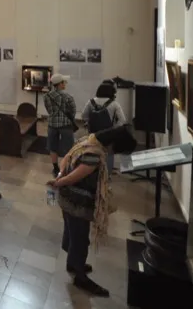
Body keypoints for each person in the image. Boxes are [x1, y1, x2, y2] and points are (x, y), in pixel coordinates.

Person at [48, 126, 137, 297]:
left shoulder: (87, 140)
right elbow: (78, 176)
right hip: (77, 202)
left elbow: (66, 157)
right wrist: (60, 182)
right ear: (113, 144)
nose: (113, 154)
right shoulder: (95, 154)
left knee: (71, 231)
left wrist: (60, 175)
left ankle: (72, 263)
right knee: (80, 238)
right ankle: (80, 276)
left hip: (66, 198)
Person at [81, 81, 127, 173]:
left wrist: (90, 122)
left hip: (93, 133)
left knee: (93, 151)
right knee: (109, 153)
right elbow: (122, 120)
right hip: (109, 133)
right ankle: (107, 174)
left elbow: (84, 116)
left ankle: (93, 171)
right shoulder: (114, 104)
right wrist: (114, 128)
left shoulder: (91, 102)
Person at [44, 74, 77, 175]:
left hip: (52, 124)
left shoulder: (47, 96)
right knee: (68, 147)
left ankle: (55, 168)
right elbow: (73, 111)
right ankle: (66, 168)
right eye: (64, 82)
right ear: (60, 84)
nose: (65, 84)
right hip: (66, 125)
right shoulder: (68, 97)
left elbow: (49, 110)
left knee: (53, 146)